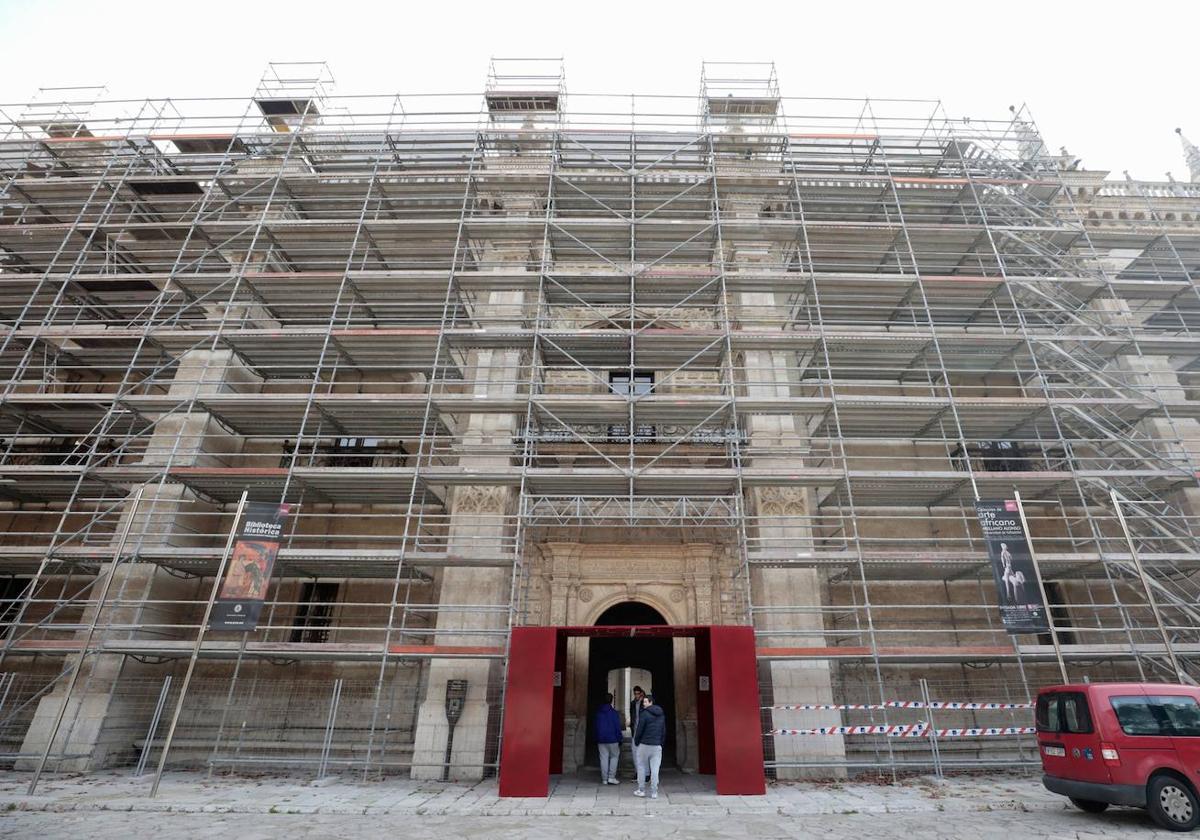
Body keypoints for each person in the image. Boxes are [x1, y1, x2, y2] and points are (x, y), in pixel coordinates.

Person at [632, 692, 666, 799]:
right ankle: (654, 792)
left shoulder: (644, 714)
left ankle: (641, 790)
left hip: (645, 744)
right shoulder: (661, 715)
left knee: (641, 767)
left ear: (651, 702)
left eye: (645, 702)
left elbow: (639, 729)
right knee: (655, 769)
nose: (644, 704)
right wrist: (661, 743)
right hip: (656, 745)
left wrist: (636, 741)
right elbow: (663, 731)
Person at [593, 692, 622, 785]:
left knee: (603, 758)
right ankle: (611, 777)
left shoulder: (598, 713)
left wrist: (596, 737)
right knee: (614, 757)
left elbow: (596, 726)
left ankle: (604, 779)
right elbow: (617, 727)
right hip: (613, 739)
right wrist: (620, 738)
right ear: (612, 700)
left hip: (601, 739)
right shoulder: (614, 713)